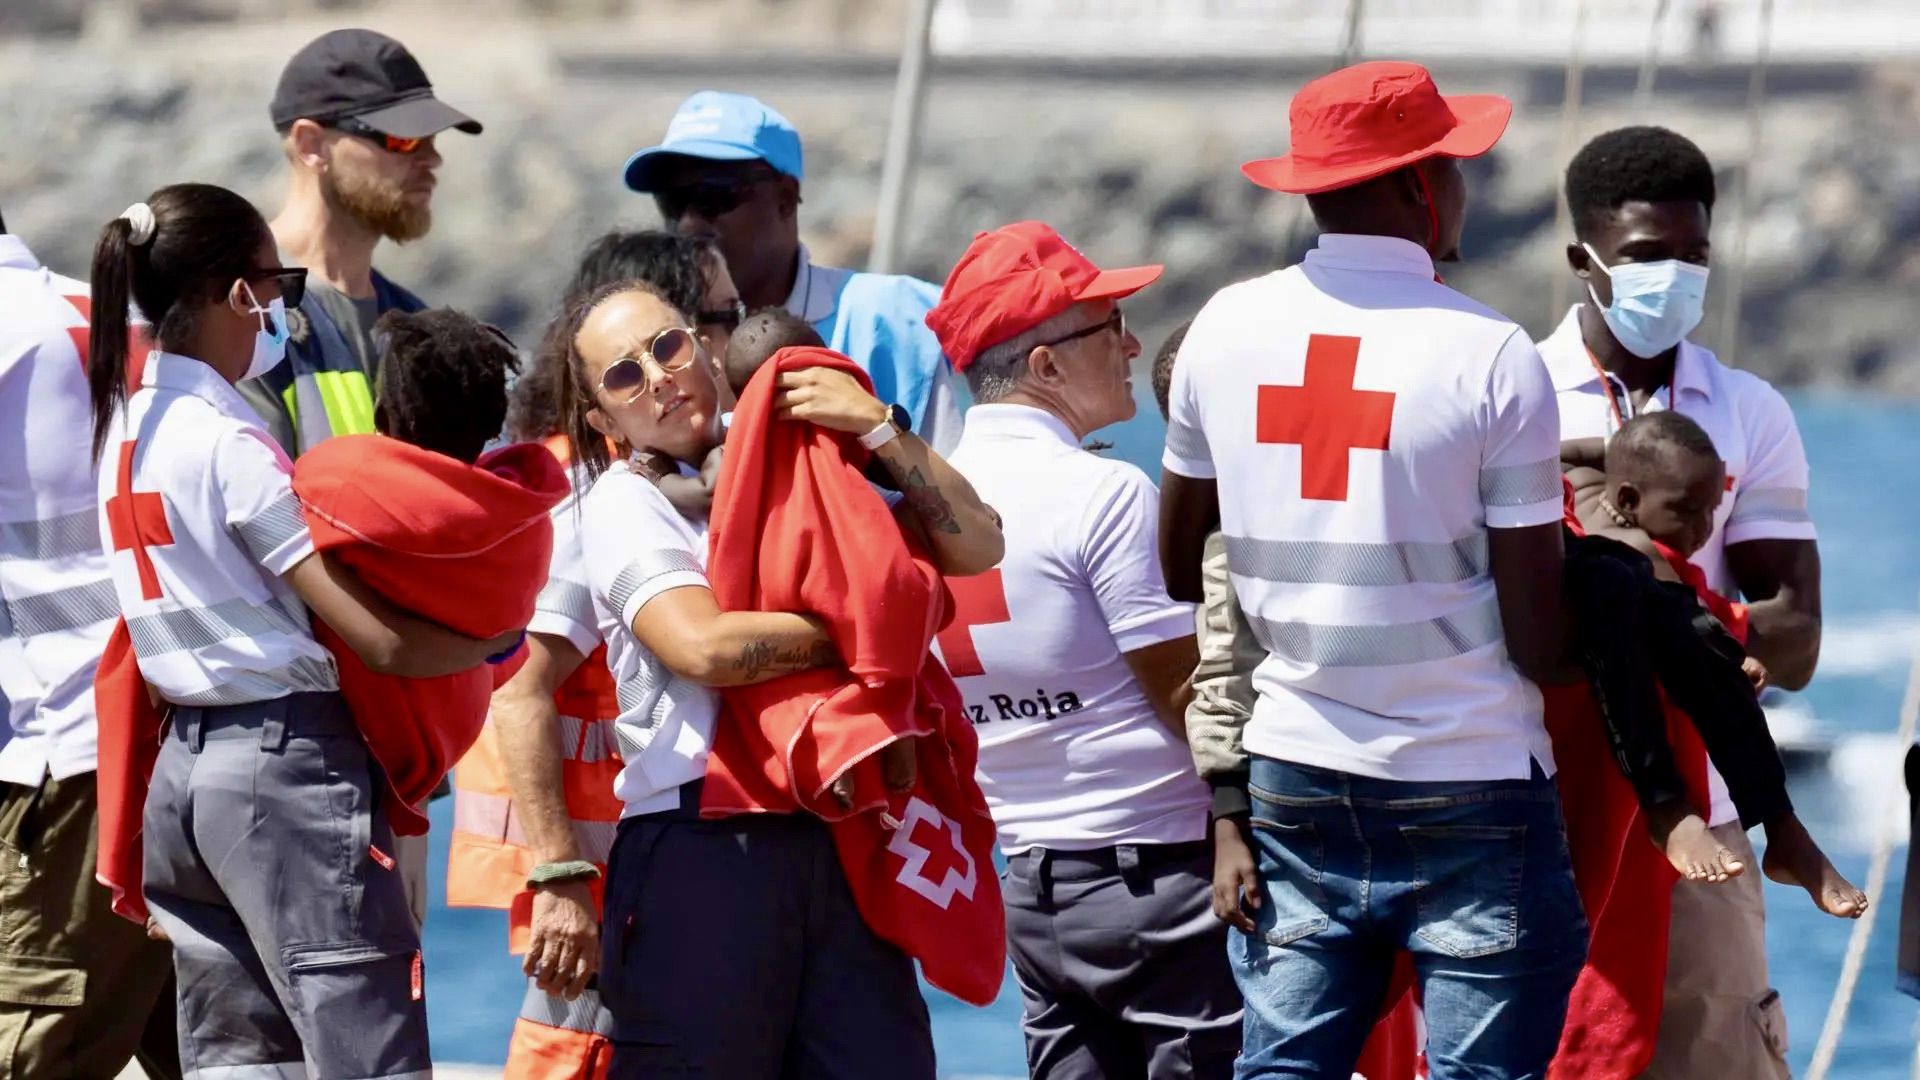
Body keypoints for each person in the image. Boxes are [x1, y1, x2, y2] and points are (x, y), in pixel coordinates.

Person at [1157, 62, 1587, 1079]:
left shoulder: (1221, 329)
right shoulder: (1491, 354)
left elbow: (1183, 564)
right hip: (1471, 779)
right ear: (1419, 185)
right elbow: (1540, 641)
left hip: (1296, 776)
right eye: (1459, 167)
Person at [84, 184, 514, 1077]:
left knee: (240, 1058)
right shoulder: (226, 441)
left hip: (183, 779)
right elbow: (378, 641)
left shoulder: (123, 430)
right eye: (274, 285)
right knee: (366, 1038)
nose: (280, 307)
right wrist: (497, 645)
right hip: (283, 768)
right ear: (230, 294)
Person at [552, 278, 999, 1076]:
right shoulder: (622, 502)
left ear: (703, 345)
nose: (658, 379)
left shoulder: (806, 452)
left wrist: (878, 428)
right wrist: (871, 627)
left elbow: (977, 547)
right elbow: (706, 649)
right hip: (701, 847)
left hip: (838, 827)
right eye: (625, 376)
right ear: (602, 418)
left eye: (667, 347)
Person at [925, 221, 1241, 1079]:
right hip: (1162, 882)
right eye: (1111, 327)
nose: (1134, 344)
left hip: (1032, 891)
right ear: (1046, 366)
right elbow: (1186, 701)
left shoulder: (929, 512)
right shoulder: (1101, 494)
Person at [1540, 124, 1822, 1080]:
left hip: (1706, 823)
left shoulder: (1749, 411)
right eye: (1647, 257)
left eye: (1694, 255)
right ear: (1584, 258)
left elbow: (1794, 636)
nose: (1676, 278)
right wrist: (1685, 630)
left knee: (1717, 1057)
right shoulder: (1514, 393)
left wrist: (1672, 620)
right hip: (1537, 808)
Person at [455, 227, 743, 1076]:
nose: (740, 331)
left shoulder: (667, 474)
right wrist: (560, 876)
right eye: (722, 316)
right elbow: (520, 689)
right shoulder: (591, 491)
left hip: (653, 861)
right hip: (605, 869)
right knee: (575, 1055)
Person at [236, 26, 483, 927]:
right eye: (403, 140)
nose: (430, 163)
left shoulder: (414, 328)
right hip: (276, 736)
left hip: (396, 750)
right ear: (310, 144)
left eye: (435, 142)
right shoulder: (235, 310)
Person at [0, 216, 177, 1077]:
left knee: (35, 1047)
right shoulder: (122, 314)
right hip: (192, 742)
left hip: (58, 760)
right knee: (225, 1052)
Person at [1567, 412, 1862, 914]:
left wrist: (1629, 452)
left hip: (1640, 589)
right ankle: (1669, 808)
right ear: (1630, 499)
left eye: (1711, 512)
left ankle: (1781, 825)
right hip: (1593, 613)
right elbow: (1557, 455)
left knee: (1702, 639)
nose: (1705, 531)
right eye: (1687, 511)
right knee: (1633, 590)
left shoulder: (1621, 509)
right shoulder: (1610, 527)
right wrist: (1624, 454)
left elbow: (1571, 453)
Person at [622, 91, 965, 454]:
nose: (689, 222)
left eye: (713, 196)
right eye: (672, 202)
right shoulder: (659, 355)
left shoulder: (901, 313)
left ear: (785, 196)